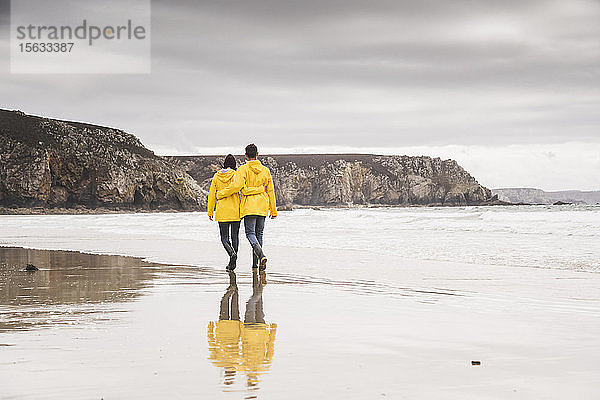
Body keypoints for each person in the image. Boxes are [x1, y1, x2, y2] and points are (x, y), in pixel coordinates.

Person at [217, 144, 277, 270]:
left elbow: (235, 187)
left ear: (245, 155)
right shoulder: (265, 170)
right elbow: (270, 190)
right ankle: (256, 264)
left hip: (249, 207)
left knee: (250, 233)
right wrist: (273, 209)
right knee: (259, 233)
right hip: (262, 205)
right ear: (257, 154)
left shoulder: (243, 170)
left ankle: (261, 255)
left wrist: (221, 194)